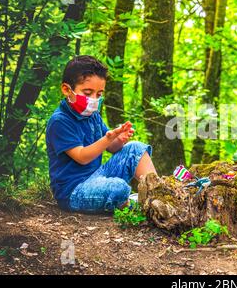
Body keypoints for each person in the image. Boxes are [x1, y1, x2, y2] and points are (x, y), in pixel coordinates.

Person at [45, 55, 157, 213]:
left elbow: (111, 147)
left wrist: (119, 140)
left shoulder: (92, 115)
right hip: (74, 192)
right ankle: (140, 209)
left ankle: (158, 195)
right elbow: (82, 157)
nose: (93, 99)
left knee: (136, 148)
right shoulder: (60, 121)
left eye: (98, 94)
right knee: (119, 188)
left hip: (97, 176)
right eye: (87, 92)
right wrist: (108, 138)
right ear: (66, 89)